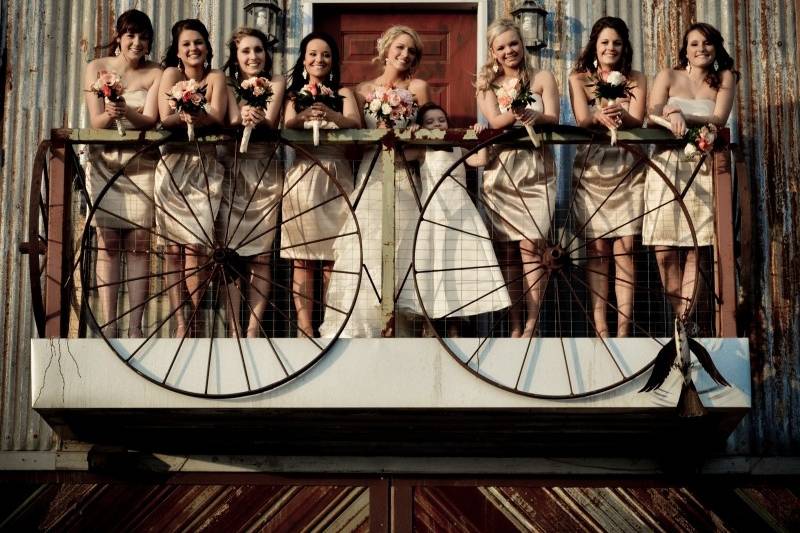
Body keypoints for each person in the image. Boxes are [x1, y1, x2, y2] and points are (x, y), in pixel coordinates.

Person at [320, 25, 430, 337]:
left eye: (411, 51)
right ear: (385, 49)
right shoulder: (362, 90)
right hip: (371, 173)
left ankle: (401, 329)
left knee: (404, 246)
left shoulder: (419, 88)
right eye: (400, 47)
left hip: (404, 175)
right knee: (364, 243)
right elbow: (354, 138)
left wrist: (403, 146)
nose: (405, 54)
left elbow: (427, 135)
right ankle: (361, 327)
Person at [642, 22, 738, 319]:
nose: (701, 49)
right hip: (666, 166)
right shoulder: (668, 75)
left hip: (702, 166)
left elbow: (719, 119)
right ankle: (678, 316)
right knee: (665, 247)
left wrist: (682, 113)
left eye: (707, 43)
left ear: (716, 47)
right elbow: (653, 112)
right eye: (694, 43)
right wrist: (668, 111)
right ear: (685, 48)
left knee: (696, 246)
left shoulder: (724, 78)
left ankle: (685, 319)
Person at [476, 19, 560, 338]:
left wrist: (535, 116)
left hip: (537, 168)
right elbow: (496, 121)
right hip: (503, 172)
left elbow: (552, 115)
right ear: (493, 53)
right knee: (508, 250)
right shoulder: (488, 86)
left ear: (521, 44)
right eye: (501, 47)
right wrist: (518, 109)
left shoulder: (542, 77)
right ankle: (514, 321)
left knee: (532, 245)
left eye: (513, 44)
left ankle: (533, 321)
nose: (509, 51)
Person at [400, 102, 510, 336]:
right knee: (433, 263)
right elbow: (398, 157)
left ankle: (456, 325)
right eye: (429, 122)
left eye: (440, 120)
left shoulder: (457, 147)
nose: (437, 125)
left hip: (460, 213)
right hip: (433, 213)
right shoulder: (423, 150)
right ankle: (430, 323)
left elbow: (479, 161)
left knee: (458, 264)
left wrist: (480, 135)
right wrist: (408, 134)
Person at [83, 9, 162, 338]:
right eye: (131, 35)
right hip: (106, 162)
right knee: (109, 243)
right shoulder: (96, 68)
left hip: (142, 163)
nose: (137, 42)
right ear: (119, 36)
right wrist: (111, 111)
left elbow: (152, 119)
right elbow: (95, 122)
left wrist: (127, 110)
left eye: (143, 37)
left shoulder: (156, 72)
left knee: (140, 245)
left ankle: (134, 326)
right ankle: (110, 323)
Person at [568, 16, 647, 338]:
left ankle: (623, 329)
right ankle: (600, 326)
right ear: (594, 47)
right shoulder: (579, 78)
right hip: (593, 166)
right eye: (604, 42)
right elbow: (582, 118)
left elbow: (638, 119)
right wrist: (598, 114)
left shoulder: (637, 78)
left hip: (626, 165)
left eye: (616, 42)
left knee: (625, 247)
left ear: (624, 46)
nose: (610, 48)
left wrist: (619, 113)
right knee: (597, 248)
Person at [280, 32, 360, 338]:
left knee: (333, 257)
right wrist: (304, 114)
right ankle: (304, 326)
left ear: (333, 61)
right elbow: (287, 124)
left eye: (325, 55)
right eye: (313, 54)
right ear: (303, 58)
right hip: (303, 178)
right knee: (303, 258)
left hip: (337, 177)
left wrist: (331, 114)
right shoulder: (292, 95)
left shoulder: (344, 93)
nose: (319, 60)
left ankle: (331, 324)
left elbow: (355, 122)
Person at [155, 19, 227, 337]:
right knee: (173, 249)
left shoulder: (216, 77)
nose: (193, 48)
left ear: (207, 47)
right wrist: (183, 115)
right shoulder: (171, 75)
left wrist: (199, 116)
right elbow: (164, 116)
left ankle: (196, 317)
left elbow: (218, 115)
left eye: (198, 43)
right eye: (186, 44)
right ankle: (180, 322)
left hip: (204, 167)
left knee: (196, 246)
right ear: (178, 50)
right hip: (173, 165)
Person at [217, 27, 285, 338]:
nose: (253, 56)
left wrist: (257, 118)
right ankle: (233, 327)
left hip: (265, 173)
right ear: (236, 56)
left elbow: (270, 122)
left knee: (261, 255)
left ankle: (253, 329)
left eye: (258, 50)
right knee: (231, 255)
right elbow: (230, 119)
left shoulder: (277, 84)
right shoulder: (227, 84)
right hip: (233, 170)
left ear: (266, 54)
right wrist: (240, 115)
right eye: (246, 51)